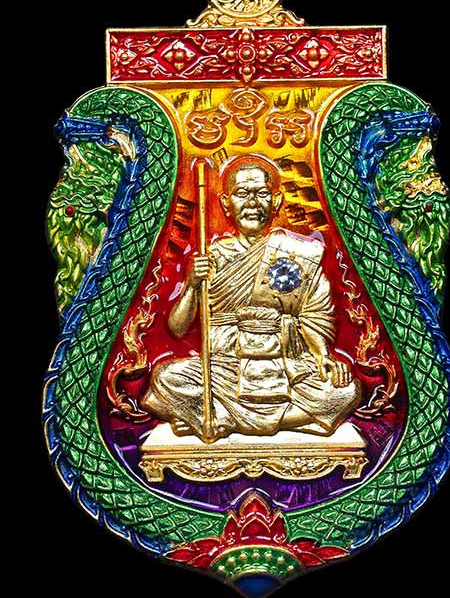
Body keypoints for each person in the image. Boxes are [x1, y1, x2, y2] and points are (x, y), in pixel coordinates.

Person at [141, 155, 360, 440]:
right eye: (242, 194)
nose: (253, 203)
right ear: (225, 203)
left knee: (345, 391)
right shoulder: (212, 257)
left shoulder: (298, 253)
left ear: (276, 201)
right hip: (226, 367)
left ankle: (220, 418)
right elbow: (178, 329)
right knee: (165, 377)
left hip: (285, 363)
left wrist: (323, 356)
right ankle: (277, 420)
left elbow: (314, 315)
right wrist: (192, 284)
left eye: (262, 194)